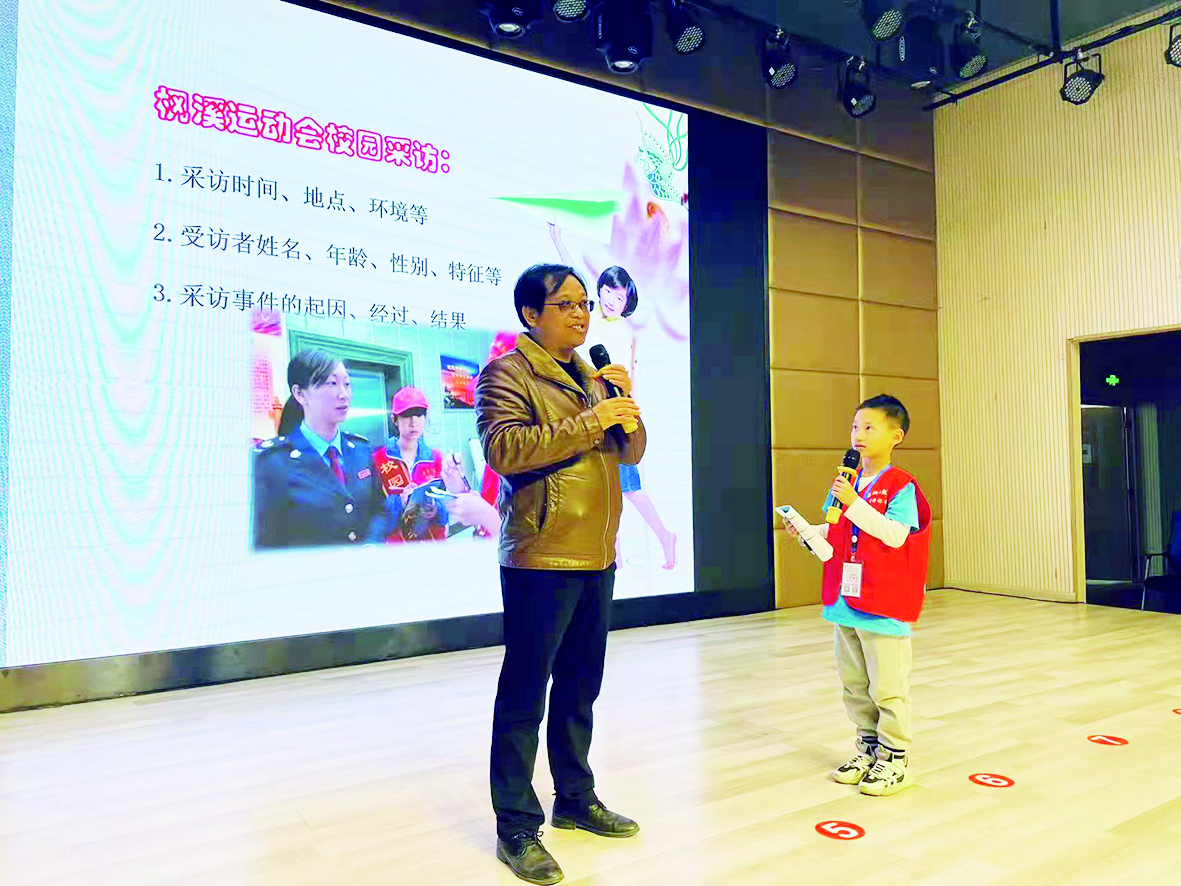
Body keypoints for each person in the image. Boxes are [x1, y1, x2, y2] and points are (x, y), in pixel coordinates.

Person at [475, 264, 646, 885]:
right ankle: (516, 827)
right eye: (566, 304)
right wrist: (593, 420)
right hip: (541, 556)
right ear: (531, 314)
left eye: (584, 304)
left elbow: (631, 452)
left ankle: (574, 798)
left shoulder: (594, 376)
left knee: (579, 688)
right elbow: (505, 450)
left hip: (597, 554)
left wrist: (623, 408)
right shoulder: (507, 373)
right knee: (525, 695)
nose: (580, 314)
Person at [782, 395, 932, 797]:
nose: (858, 435)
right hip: (845, 601)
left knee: (887, 686)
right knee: (854, 684)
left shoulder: (901, 485)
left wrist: (853, 502)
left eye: (869, 427)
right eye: (855, 427)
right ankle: (867, 749)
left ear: (896, 436)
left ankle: (895, 759)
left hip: (883, 602)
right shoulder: (847, 482)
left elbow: (894, 534)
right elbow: (839, 530)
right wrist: (808, 531)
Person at [550, 226, 677, 570]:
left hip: (615, 415)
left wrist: (629, 416)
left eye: (619, 297)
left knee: (628, 488)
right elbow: (573, 275)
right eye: (607, 291)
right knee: (601, 488)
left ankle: (664, 537)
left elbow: (628, 379)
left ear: (627, 302)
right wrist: (558, 239)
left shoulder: (625, 332)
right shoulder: (587, 317)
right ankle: (614, 555)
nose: (610, 300)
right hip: (589, 411)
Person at [253, 348, 392, 549]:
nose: (343, 394)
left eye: (347, 384)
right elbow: (264, 542)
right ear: (300, 393)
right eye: (331, 383)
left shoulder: (361, 450)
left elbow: (379, 510)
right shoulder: (271, 462)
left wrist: (372, 545)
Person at [373, 387, 450, 542]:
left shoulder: (435, 458)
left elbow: (446, 509)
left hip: (432, 545)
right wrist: (400, 502)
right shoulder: (378, 459)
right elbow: (372, 511)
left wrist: (436, 509)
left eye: (419, 415)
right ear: (394, 420)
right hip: (397, 547)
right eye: (406, 415)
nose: (413, 422)